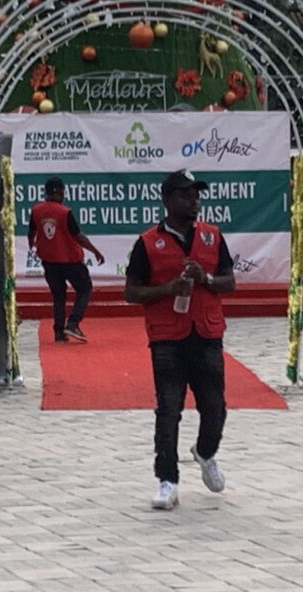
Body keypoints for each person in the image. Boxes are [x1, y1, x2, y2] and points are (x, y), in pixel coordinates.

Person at [124, 168, 235, 510]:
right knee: (169, 410)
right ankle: (167, 480)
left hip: (206, 333)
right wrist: (168, 289)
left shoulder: (212, 236)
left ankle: (205, 451)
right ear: (167, 200)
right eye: (186, 195)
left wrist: (207, 279)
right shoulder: (147, 242)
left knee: (215, 407)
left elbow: (230, 282)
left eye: (196, 195)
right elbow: (131, 292)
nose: (194, 201)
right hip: (168, 338)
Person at [28, 176, 104, 343]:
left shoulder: (36, 210)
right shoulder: (65, 212)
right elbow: (79, 237)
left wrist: (32, 245)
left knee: (58, 295)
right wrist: (95, 251)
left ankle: (59, 331)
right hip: (70, 260)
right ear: (61, 191)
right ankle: (73, 323)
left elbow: (31, 232)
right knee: (85, 288)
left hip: (49, 260)